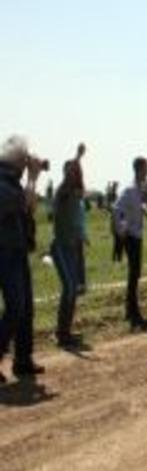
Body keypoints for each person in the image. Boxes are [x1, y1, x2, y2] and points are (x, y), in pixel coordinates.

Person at [0, 136, 47, 380]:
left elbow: (30, 208)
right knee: (15, 307)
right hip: (5, 253)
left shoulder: (13, 182)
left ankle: (22, 359)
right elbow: (25, 202)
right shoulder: (3, 183)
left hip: (16, 251)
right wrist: (33, 177)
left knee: (26, 308)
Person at [114, 157, 147, 333]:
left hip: (136, 235)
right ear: (139, 169)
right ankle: (133, 313)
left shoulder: (140, 189)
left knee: (135, 274)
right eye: (146, 168)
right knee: (134, 274)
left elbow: (145, 204)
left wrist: (144, 208)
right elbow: (118, 209)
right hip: (131, 237)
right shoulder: (130, 190)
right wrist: (122, 230)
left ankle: (130, 310)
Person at [51, 144, 86, 347]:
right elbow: (70, 176)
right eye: (71, 171)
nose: (75, 173)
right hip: (60, 248)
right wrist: (78, 157)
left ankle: (64, 331)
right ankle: (61, 333)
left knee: (73, 290)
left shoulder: (75, 193)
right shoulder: (61, 192)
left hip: (73, 248)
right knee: (70, 288)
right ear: (66, 173)